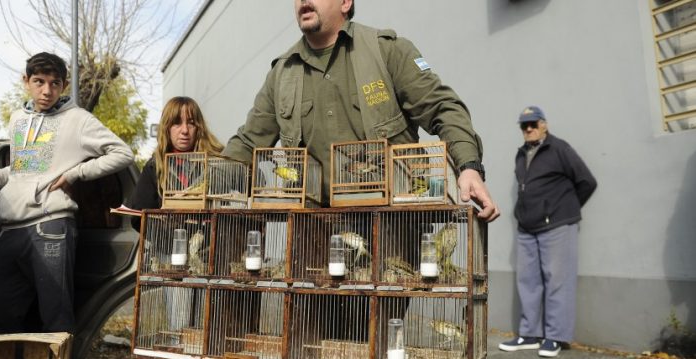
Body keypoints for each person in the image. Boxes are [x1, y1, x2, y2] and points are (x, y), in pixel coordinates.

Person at [221, 0, 499, 221]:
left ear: (345, 2)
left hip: (389, 228)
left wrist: (469, 167)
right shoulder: (283, 72)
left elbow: (443, 108)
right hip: (314, 236)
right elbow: (247, 143)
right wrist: (206, 183)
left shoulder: (387, 51)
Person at [0, 52, 134, 333]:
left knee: (56, 320)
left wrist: (75, 173)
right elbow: (23, 167)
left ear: (64, 85)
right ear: (26, 81)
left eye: (55, 83)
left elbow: (122, 153)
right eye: (39, 81)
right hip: (10, 229)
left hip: (50, 226)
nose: (47, 90)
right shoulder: (19, 118)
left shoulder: (78, 119)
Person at [499, 106, 597, 357]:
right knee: (528, 282)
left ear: (544, 124)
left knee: (557, 282)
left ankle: (555, 337)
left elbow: (587, 182)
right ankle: (529, 334)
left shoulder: (559, 148)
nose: (528, 129)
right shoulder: (521, 154)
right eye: (524, 125)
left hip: (557, 226)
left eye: (533, 124)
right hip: (527, 227)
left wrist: (563, 210)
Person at [127, 96, 224, 232]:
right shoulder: (154, 166)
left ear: (199, 128)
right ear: (167, 127)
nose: (185, 130)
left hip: (209, 244)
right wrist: (167, 226)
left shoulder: (216, 163)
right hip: (167, 248)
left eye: (191, 123)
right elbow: (137, 218)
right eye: (177, 123)